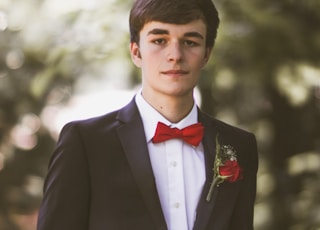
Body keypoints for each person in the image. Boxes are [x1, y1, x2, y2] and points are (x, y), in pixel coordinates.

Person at [37, 0, 258, 229]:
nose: (175, 55)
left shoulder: (239, 146)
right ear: (136, 52)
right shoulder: (85, 143)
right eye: (159, 40)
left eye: (190, 42)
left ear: (206, 54)